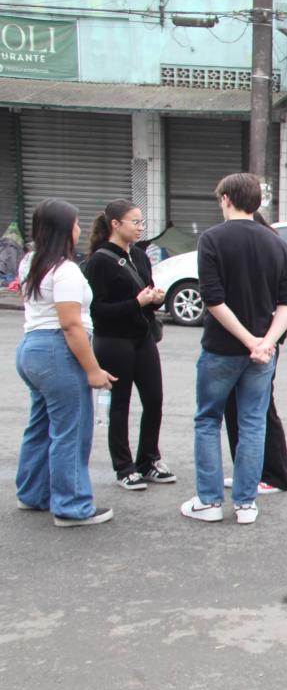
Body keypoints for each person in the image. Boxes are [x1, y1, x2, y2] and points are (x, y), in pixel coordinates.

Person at [180, 173, 287, 526]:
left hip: (221, 348)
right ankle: (246, 504)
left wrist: (248, 340)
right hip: (263, 353)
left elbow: (213, 299)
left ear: (227, 199)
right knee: (253, 424)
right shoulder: (277, 243)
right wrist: (266, 342)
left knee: (207, 421)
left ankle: (210, 501)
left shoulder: (212, 239)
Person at [14, 199, 117, 526]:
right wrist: (93, 370)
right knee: (71, 431)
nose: (79, 229)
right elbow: (71, 325)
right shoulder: (66, 269)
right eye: (75, 224)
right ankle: (72, 506)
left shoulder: (31, 261)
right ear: (63, 230)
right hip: (57, 352)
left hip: (31, 348)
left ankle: (32, 494)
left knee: (41, 424)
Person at [83, 199, 174, 490]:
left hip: (142, 336)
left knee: (154, 399)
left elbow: (144, 289)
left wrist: (154, 298)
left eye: (141, 222)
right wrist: (137, 302)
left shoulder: (139, 254)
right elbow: (98, 311)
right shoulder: (99, 261)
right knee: (120, 404)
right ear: (115, 225)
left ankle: (148, 460)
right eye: (135, 222)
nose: (140, 227)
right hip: (114, 340)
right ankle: (124, 467)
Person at [223, 210, 287, 495]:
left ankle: (276, 475)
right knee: (247, 407)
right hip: (263, 338)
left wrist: (263, 341)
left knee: (258, 408)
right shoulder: (273, 245)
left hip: (257, 339)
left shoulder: (267, 248)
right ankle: (250, 472)